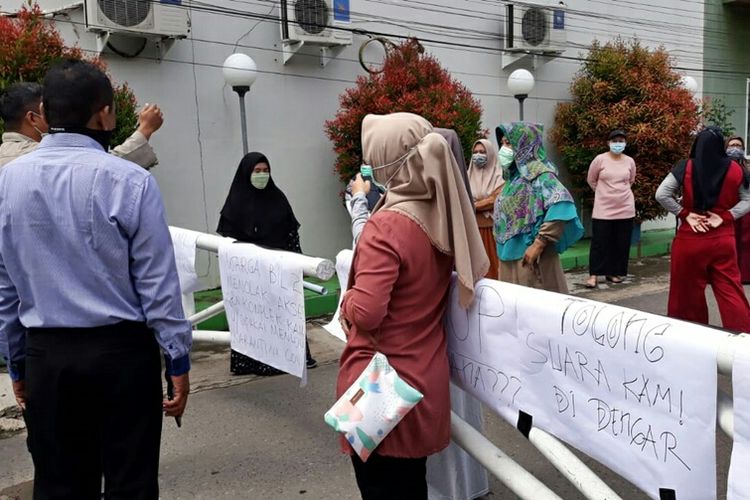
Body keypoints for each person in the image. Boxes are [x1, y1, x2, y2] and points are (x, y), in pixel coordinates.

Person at [0, 59, 191, 499]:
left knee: (59, 483)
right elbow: (157, 285)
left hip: (46, 354)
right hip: (121, 355)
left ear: (45, 112)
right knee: (131, 482)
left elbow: (6, 286)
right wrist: (176, 359)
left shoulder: (8, 182)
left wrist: (17, 361)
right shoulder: (131, 181)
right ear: (104, 114)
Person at [337, 112, 489, 499]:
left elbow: (368, 312)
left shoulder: (385, 226)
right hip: (424, 377)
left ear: (388, 160)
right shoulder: (439, 218)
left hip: (378, 383)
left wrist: (348, 299)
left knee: (380, 489)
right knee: (410, 488)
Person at [217, 152, 317, 374]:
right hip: (250, 276)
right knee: (253, 319)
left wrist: (296, 263)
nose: (262, 175)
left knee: (283, 315)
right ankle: (255, 361)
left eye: (265, 171)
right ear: (246, 173)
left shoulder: (277, 198)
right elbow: (228, 243)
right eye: (257, 171)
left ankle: (291, 357)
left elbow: (291, 234)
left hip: (279, 271)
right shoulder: (235, 203)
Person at [655, 127, 750, 332]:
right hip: (723, 238)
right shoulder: (736, 169)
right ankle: (744, 339)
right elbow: (747, 200)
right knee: (731, 291)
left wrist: (684, 213)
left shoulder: (685, 166)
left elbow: (661, 194)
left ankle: (691, 338)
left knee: (687, 294)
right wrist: (725, 216)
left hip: (691, 238)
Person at [493, 122, 583, 292]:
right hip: (508, 259)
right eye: (502, 143)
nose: (503, 149)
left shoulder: (540, 176)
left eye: (508, 143)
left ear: (524, 144)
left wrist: (539, 243)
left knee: (536, 310)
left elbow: (561, 204)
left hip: (532, 260)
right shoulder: (513, 179)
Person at [0, 81, 164, 168]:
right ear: (33, 118)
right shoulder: (40, 154)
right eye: (49, 111)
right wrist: (145, 130)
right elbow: (104, 166)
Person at [585, 129, 637, 288]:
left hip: (625, 207)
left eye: (621, 141)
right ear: (608, 143)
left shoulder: (629, 161)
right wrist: (604, 194)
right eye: (615, 141)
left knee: (620, 242)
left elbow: (631, 180)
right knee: (600, 242)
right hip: (604, 209)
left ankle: (613, 272)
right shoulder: (599, 160)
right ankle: (593, 274)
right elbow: (591, 180)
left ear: (625, 143)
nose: (618, 144)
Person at [468, 138, 503, 279]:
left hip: (492, 231)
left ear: (490, 154)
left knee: (492, 269)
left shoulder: (499, 176)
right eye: (475, 152)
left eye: (482, 152)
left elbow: (496, 199)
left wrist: (473, 205)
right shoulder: (466, 175)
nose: (478, 155)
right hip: (472, 230)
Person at [726, 135, 750, 283]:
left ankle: (745, 275)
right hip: (728, 209)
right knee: (729, 243)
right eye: (732, 145)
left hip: (745, 211)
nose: (735, 148)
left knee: (745, 243)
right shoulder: (721, 167)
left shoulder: (745, 167)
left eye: (738, 146)